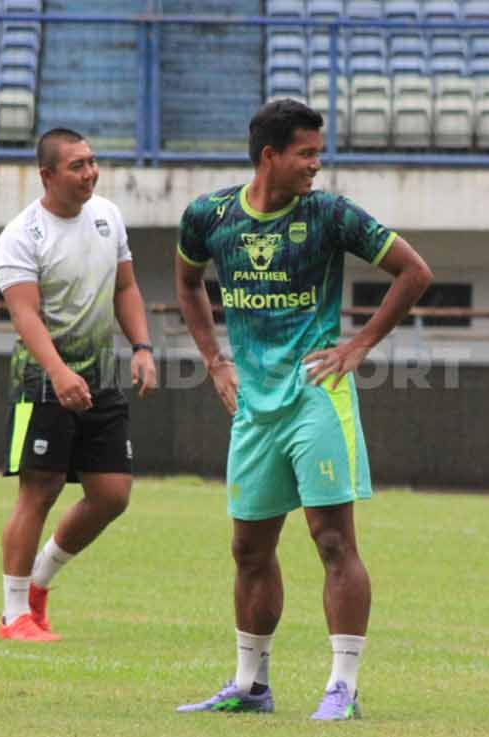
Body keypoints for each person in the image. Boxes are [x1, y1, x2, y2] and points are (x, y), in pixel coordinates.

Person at [172, 100, 433, 720]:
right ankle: (251, 685)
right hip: (254, 409)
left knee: (333, 541)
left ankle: (343, 687)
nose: (318, 164)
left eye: (319, 153)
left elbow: (414, 272)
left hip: (317, 397)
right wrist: (214, 360)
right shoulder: (207, 216)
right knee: (249, 550)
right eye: (307, 154)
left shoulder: (330, 214)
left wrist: (358, 345)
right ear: (270, 156)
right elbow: (186, 283)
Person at [0, 127, 158, 642]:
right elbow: (26, 316)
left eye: (92, 162)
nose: (90, 173)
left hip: (101, 377)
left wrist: (143, 348)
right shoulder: (20, 236)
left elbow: (126, 286)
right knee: (37, 491)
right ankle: (13, 614)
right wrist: (59, 374)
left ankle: (39, 583)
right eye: (77, 166)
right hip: (42, 380)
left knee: (112, 495)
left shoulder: (108, 217)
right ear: (47, 176)